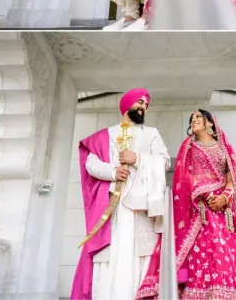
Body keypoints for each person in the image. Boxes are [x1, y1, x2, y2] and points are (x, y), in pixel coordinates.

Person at [137, 109, 236, 299]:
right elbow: (184, 177)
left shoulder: (223, 147)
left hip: (224, 211)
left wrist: (225, 197)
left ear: (210, 123)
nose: (194, 120)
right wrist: (208, 194)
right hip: (201, 209)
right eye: (192, 118)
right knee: (206, 251)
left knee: (230, 251)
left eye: (198, 117)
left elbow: (232, 177)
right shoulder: (189, 147)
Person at [71, 89, 171, 299]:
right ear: (127, 105)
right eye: (140, 102)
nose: (143, 106)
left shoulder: (151, 134)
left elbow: (164, 161)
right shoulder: (105, 135)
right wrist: (113, 171)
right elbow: (91, 163)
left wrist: (138, 158)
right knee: (112, 255)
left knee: (141, 255)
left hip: (142, 207)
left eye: (146, 104)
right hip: (112, 207)